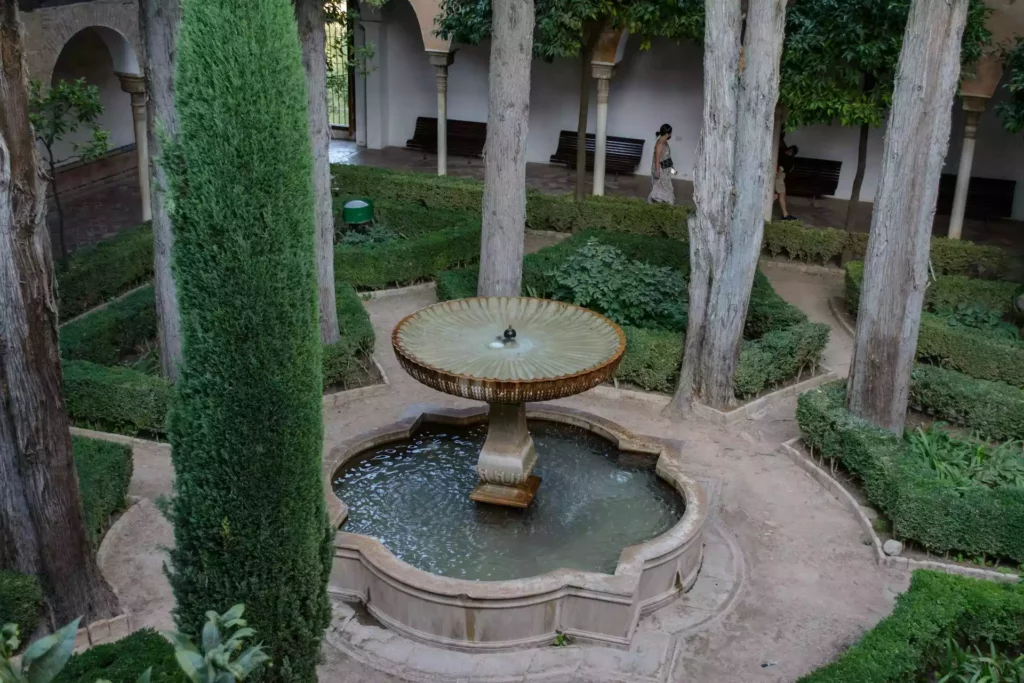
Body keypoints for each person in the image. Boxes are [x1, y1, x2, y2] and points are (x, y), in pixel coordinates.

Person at [647, 123, 675, 204]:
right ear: (667, 134)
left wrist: (672, 169)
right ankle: (654, 201)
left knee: (666, 187)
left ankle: (665, 202)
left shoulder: (665, 142)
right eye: (670, 133)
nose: (671, 135)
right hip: (660, 170)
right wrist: (657, 172)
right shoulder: (659, 144)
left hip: (666, 168)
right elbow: (657, 159)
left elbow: (667, 157)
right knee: (660, 186)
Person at [774, 137, 798, 221]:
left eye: (791, 151)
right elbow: (780, 170)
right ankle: (785, 215)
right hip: (779, 178)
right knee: (780, 195)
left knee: (777, 195)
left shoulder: (784, 156)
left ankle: (785, 214)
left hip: (779, 177)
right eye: (790, 150)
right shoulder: (786, 158)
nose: (789, 151)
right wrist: (776, 176)